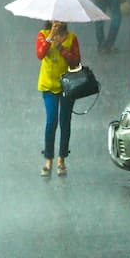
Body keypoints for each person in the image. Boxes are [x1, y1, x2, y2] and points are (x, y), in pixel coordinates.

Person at [36, 20, 81, 177]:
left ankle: (62, 159)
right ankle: (48, 159)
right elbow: (40, 54)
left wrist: (61, 48)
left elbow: (76, 61)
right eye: (54, 19)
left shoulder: (71, 38)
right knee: (51, 121)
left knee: (65, 121)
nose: (57, 22)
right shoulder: (43, 35)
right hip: (48, 85)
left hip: (67, 86)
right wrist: (51, 38)